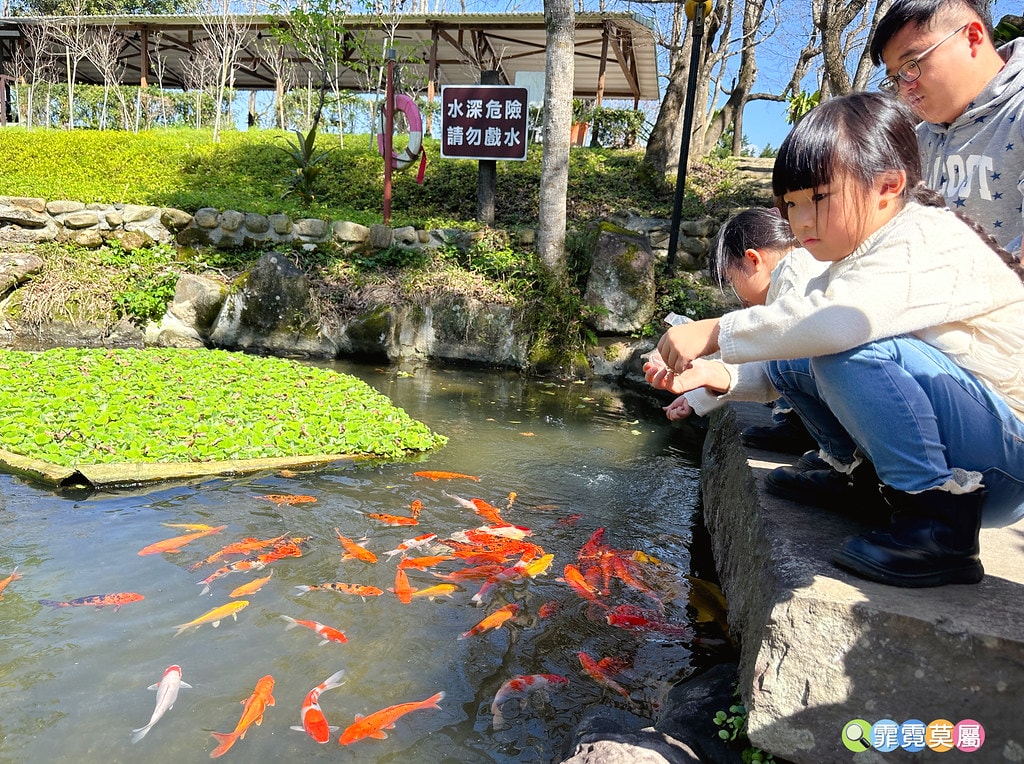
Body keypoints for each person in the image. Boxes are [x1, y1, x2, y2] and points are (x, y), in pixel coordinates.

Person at [653, 91, 1024, 588]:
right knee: (802, 353)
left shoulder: (923, 239)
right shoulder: (857, 254)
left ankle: (939, 527)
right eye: (791, 204)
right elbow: (791, 351)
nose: (801, 221)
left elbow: (836, 324)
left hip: (1004, 461)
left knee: (844, 346)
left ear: (887, 186)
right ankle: (853, 475)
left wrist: (716, 329)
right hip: (974, 443)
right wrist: (714, 377)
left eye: (819, 199)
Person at [870, 0, 1024, 258]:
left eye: (911, 65)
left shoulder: (1018, 111)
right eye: (895, 78)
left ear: (972, 38)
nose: (905, 88)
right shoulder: (917, 141)